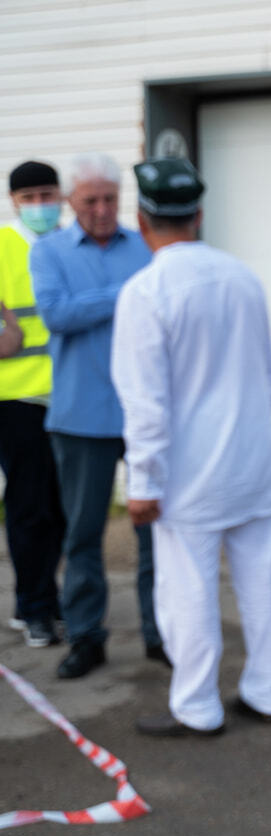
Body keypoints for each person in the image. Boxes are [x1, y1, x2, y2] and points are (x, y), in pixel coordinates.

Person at [111, 158, 271, 737]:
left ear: (142, 220)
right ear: (200, 214)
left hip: (189, 475)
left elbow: (146, 404)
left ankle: (197, 706)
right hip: (253, 462)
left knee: (187, 589)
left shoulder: (146, 291)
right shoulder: (242, 276)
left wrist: (143, 482)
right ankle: (268, 692)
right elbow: (268, 381)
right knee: (261, 582)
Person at [29, 152, 164, 679]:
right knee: (83, 533)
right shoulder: (49, 252)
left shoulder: (146, 246)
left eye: (111, 199)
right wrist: (130, 294)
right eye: (91, 201)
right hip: (82, 415)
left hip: (145, 411)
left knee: (156, 532)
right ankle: (87, 637)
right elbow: (58, 313)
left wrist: (109, 298)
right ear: (71, 202)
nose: (104, 210)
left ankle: (159, 632)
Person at [0, 160, 66, 648]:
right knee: (29, 508)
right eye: (31, 197)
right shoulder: (2, 248)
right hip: (17, 398)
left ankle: (49, 595)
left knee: (64, 509)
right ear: (14, 201)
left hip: (70, 397)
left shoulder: (70, 244)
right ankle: (33, 608)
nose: (41, 205)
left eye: (48, 194)